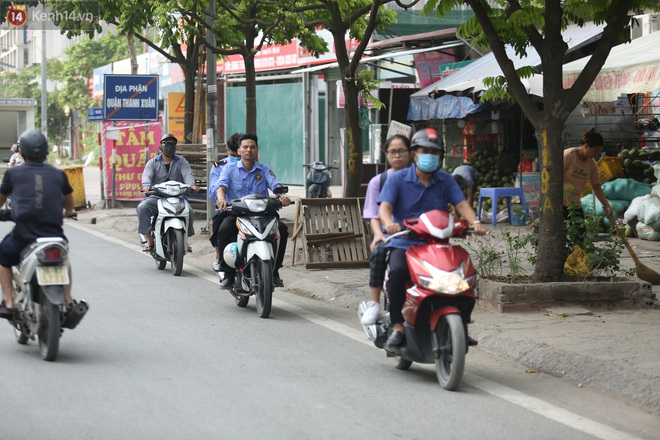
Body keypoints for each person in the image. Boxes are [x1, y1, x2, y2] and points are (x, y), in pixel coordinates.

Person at [378, 127, 486, 352]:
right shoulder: (397, 180)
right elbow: (385, 208)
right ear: (414, 154)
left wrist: (475, 222)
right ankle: (398, 326)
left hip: (437, 245)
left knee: (466, 275)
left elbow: (461, 204)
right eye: (424, 150)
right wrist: (389, 222)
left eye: (434, 152)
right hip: (405, 243)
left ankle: (461, 324)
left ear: (440, 156)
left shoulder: (445, 180)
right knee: (397, 273)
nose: (429, 155)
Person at [0, 130, 76, 318]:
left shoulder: (12, 174)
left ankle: (9, 303)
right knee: (63, 258)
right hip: (54, 235)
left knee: (4, 258)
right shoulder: (59, 174)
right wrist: (69, 213)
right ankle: (68, 299)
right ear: (46, 152)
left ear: (21, 152)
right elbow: (70, 204)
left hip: (24, 235)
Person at [215, 133, 291, 288]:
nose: (249, 150)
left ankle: (275, 270)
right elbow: (221, 186)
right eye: (245, 147)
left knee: (282, 230)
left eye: (252, 147)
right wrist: (221, 198)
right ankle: (228, 273)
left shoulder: (264, 169)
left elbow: (275, 185)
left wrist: (282, 196)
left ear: (257, 150)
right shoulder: (229, 169)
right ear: (239, 151)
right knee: (223, 230)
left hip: (262, 212)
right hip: (237, 213)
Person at [360, 135, 411, 326]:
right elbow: (373, 214)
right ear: (386, 155)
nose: (397, 155)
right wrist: (379, 235)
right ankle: (374, 303)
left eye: (402, 151)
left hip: (415, 234)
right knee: (380, 251)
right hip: (389, 234)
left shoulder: (419, 178)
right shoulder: (378, 182)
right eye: (393, 152)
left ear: (410, 153)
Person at [137, 133, 200, 252]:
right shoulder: (152, 162)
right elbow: (147, 175)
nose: (169, 146)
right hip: (157, 197)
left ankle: (184, 238)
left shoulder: (182, 161)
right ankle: (149, 239)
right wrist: (146, 185)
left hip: (178, 197)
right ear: (160, 146)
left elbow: (187, 174)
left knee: (190, 212)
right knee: (142, 208)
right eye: (166, 143)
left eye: (172, 144)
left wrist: (192, 185)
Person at [563, 127, 615, 225]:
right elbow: (553, 179)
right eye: (595, 151)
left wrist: (607, 205)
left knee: (580, 237)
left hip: (575, 204)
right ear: (586, 146)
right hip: (560, 203)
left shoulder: (592, 164)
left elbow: (596, 187)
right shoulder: (568, 155)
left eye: (598, 152)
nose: (596, 154)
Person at [208, 133, 242, 272]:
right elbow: (213, 191)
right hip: (229, 209)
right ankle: (219, 256)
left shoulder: (258, 167)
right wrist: (221, 199)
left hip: (253, 209)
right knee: (220, 224)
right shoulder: (222, 166)